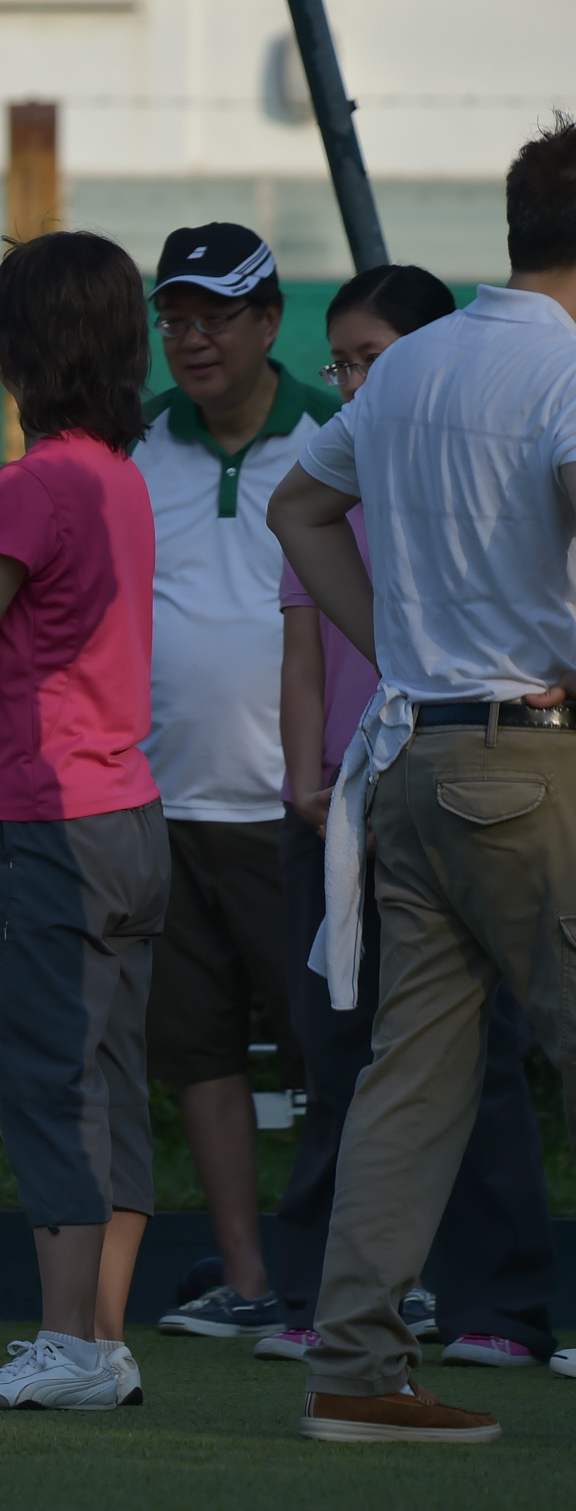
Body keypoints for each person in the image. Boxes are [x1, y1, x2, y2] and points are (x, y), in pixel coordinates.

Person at [268, 117, 576, 1440]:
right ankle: (359, 1368)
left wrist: (397, 644)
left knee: (409, 1079)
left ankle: (355, 1365)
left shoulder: (418, 361)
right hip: (532, 759)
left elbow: (296, 507)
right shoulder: (566, 367)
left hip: (410, 757)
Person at [0, 231, 166, 1411]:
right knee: (111, 1075)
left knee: (50, 1080)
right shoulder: (121, 474)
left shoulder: (28, 483)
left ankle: (68, 1341)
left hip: (42, 813)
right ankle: (100, 1339)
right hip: (128, 809)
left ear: (21, 343)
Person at [129, 223, 332, 1339]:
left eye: (215, 317)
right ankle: (251, 1280)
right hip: (160, 810)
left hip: (301, 809)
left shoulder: (336, 434)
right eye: (175, 318)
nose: (192, 339)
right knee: (198, 1056)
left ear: (269, 322)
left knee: (334, 1054)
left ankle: (353, 1277)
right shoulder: (136, 444)